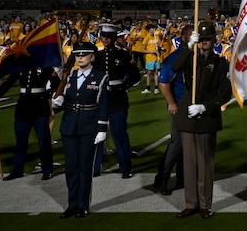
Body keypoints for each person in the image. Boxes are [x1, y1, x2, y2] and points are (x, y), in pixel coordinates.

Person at [172, 20, 232, 220]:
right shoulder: (191, 58)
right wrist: (189, 48)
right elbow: (175, 67)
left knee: (205, 164)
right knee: (189, 164)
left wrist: (205, 107)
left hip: (207, 115)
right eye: (202, 39)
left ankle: (205, 204)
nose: (204, 42)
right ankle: (191, 203)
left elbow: (225, 92)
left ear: (215, 39)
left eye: (208, 38)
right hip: (188, 115)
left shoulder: (221, 62)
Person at [51, 41, 110, 218]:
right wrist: (58, 104)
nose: (81, 57)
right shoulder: (69, 76)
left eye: (84, 55)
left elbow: (104, 105)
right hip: (69, 126)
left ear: (92, 56)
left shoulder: (101, 77)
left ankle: (83, 205)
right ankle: (72, 204)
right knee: (71, 167)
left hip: (88, 126)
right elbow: (64, 101)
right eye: (78, 55)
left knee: (84, 167)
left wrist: (101, 129)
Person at [0, 64, 61, 181]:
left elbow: (56, 82)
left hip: (40, 107)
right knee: (20, 142)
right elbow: (9, 82)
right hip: (23, 108)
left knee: (43, 141)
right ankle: (17, 170)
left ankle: (47, 170)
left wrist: (52, 92)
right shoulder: (20, 66)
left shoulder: (45, 67)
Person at [92, 23, 140, 178]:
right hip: (100, 100)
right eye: (103, 36)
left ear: (113, 38)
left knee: (119, 134)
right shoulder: (96, 56)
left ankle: (126, 168)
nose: (105, 39)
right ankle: (95, 168)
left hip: (118, 99)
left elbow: (135, 76)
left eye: (108, 37)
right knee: (97, 135)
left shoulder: (123, 54)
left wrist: (124, 86)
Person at [150, 24, 192, 195]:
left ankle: (182, 179)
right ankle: (162, 180)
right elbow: (163, 82)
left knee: (185, 146)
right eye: (191, 35)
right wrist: (172, 103)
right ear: (183, 38)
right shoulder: (175, 57)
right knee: (177, 144)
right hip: (180, 106)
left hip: (193, 107)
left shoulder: (196, 56)